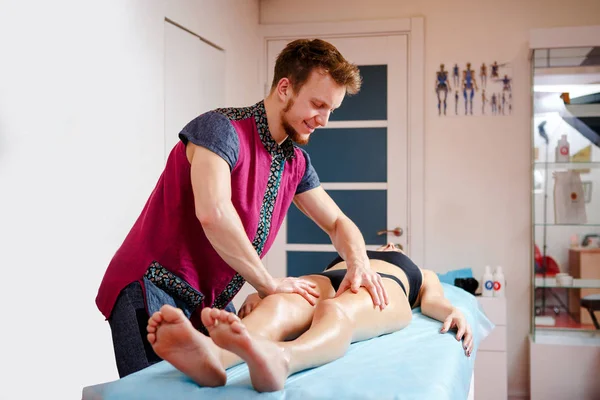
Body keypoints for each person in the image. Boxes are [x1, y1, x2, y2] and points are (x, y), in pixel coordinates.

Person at [96, 38, 389, 378]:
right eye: (317, 104)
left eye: (331, 110)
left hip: (208, 302)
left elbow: (338, 222)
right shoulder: (220, 129)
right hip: (151, 286)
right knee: (158, 393)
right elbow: (213, 212)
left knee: (223, 377)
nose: (323, 120)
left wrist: (359, 263)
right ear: (284, 88)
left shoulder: (295, 162)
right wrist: (267, 284)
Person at [147, 243, 474, 392]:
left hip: (384, 286)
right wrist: (262, 293)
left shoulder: (419, 270)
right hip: (328, 278)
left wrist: (454, 311)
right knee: (279, 307)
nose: (390, 245)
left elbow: (433, 301)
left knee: (335, 311)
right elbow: (285, 291)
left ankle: (283, 359)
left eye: (395, 245)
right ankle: (213, 356)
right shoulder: (355, 249)